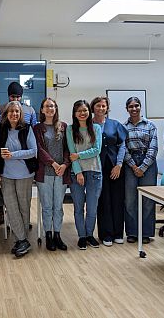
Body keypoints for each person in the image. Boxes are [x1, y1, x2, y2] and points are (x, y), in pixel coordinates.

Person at [0, 81, 37, 227]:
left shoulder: (30, 110)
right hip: (6, 164)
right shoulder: (0, 108)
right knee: (7, 198)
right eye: (12, 97)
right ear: (8, 96)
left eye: (18, 97)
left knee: (23, 201)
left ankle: (23, 222)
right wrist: (6, 115)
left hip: (24, 162)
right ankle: (1, 215)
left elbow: (34, 129)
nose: (15, 99)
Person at [0, 101, 37, 258]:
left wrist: (14, 155)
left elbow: (33, 151)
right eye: (11, 111)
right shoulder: (0, 128)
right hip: (6, 174)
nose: (14, 114)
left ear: (21, 114)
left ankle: (22, 240)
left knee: (23, 207)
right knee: (11, 208)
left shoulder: (27, 129)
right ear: (6, 114)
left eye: (17, 112)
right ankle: (22, 240)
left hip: (25, 174)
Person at [34, 98, 70, 251]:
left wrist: (64, 165)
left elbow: (69, 148)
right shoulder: (37, 128)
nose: (50, 109)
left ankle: (57, 235)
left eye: (53, 106)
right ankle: (48, 234)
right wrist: (54, 164)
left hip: (61, 172)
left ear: (56, 109)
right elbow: (39, 149)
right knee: (47, 206)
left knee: (58, 207)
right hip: (45, 173)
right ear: (42, 110)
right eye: (47, 106)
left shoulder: (63, 127)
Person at [91, 96, 128, 247]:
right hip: (97, 168)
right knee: (103, 201)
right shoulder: (88, 125)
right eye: (98, 106)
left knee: (118, 200)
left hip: (115, 168)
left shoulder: (115, 124)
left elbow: (122, 145)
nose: (101, 108)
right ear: (93, 108)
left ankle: (118, 233)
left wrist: (119, 164)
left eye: (103, 106)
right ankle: (106, 234)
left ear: (107, 108)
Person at [66, 100, 102, 250]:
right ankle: (81, 236)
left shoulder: (96, 128)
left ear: (89, 112)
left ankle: (89, 235)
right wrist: (78, 172)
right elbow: (70, 153)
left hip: (95, 172)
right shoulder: (69, 130)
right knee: (78, 207)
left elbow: (97, 150)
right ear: (75, 113)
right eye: (79, 111)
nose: (82, 113)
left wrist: (79, 155)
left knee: (92, 208)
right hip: (77, 173)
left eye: (85, 110)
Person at [123, 97, 158, 244]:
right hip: (130, 163)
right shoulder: (123, 126)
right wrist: (133, 166)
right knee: (130, 200)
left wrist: (143, 167)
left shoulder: (150, 125)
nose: (134, 109)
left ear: (140, 107)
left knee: (147, 200)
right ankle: (132, 232)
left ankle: (145, 233)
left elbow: (153, 148)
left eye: (136, 106)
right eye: (131, 106)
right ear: (127, 109)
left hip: (148, 164)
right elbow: (122, 148)